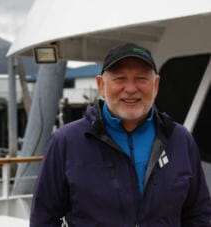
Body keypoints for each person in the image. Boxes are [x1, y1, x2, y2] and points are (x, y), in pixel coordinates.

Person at [30, 42, 211, 226]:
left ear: (155, 85)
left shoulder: (180, 139)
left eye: (141, 78)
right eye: (119, 79)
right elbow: (44, 218)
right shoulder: (66, 141)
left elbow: (198, 214)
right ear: (101, 85)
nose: (131, 89)